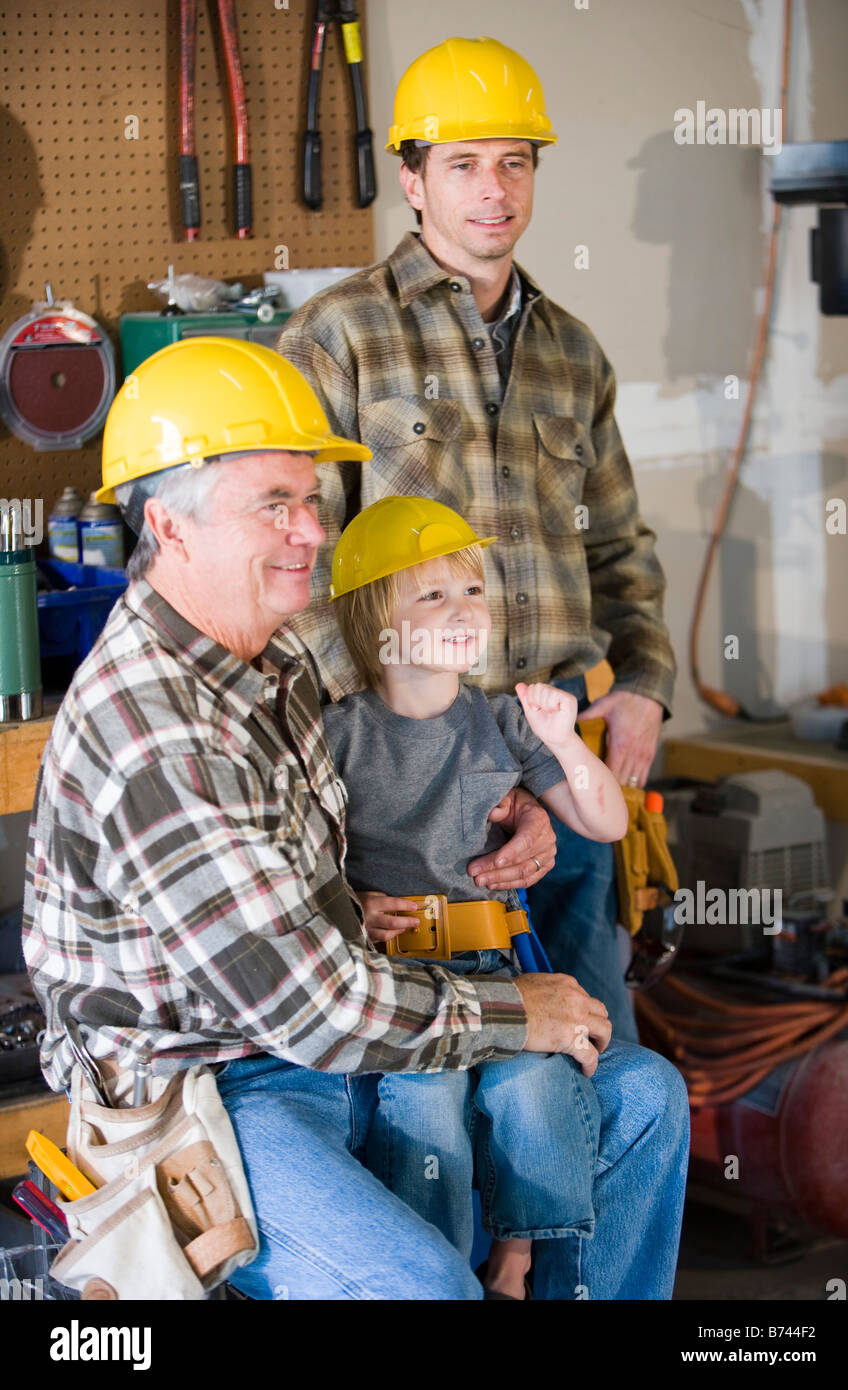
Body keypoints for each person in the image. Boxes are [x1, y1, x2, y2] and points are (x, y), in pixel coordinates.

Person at [23, 337, 688, 1300]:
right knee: (423, 1284)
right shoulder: (156, 732)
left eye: (310, 501)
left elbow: (368, 814)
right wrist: (514, 1013)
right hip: (215, 1090)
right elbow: (314, 1008)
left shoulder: (272, 662)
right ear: (169, 526)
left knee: (645, 1102)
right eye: (273, 507)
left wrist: (505, 814)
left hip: (347, 1031)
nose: (309, 532)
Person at [278, 36, 678, 1044]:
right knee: (446, 1094)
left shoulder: (571, 351)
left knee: (596, 1061)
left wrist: (643, 680)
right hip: (408, 783)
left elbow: (618, 542)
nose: (492, 190)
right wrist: (449, 770)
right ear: (410, 179)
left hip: (555, 743)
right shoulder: (337, 337)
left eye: (514, 161)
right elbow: (303, 573)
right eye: (461, 164)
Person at [322, 495, 629, 1298]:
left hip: (499, 965)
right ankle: (437, 1274)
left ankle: (516, 1266)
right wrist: (349, 904)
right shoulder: (335, 734)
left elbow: (606, 818)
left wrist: (563, 742)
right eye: (432, 595)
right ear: (372, 619)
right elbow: (300, 862)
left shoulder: (505, 721)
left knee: (537, 1085)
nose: (464, 611)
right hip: (401, 979)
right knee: (424, 1105)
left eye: (473, 591)